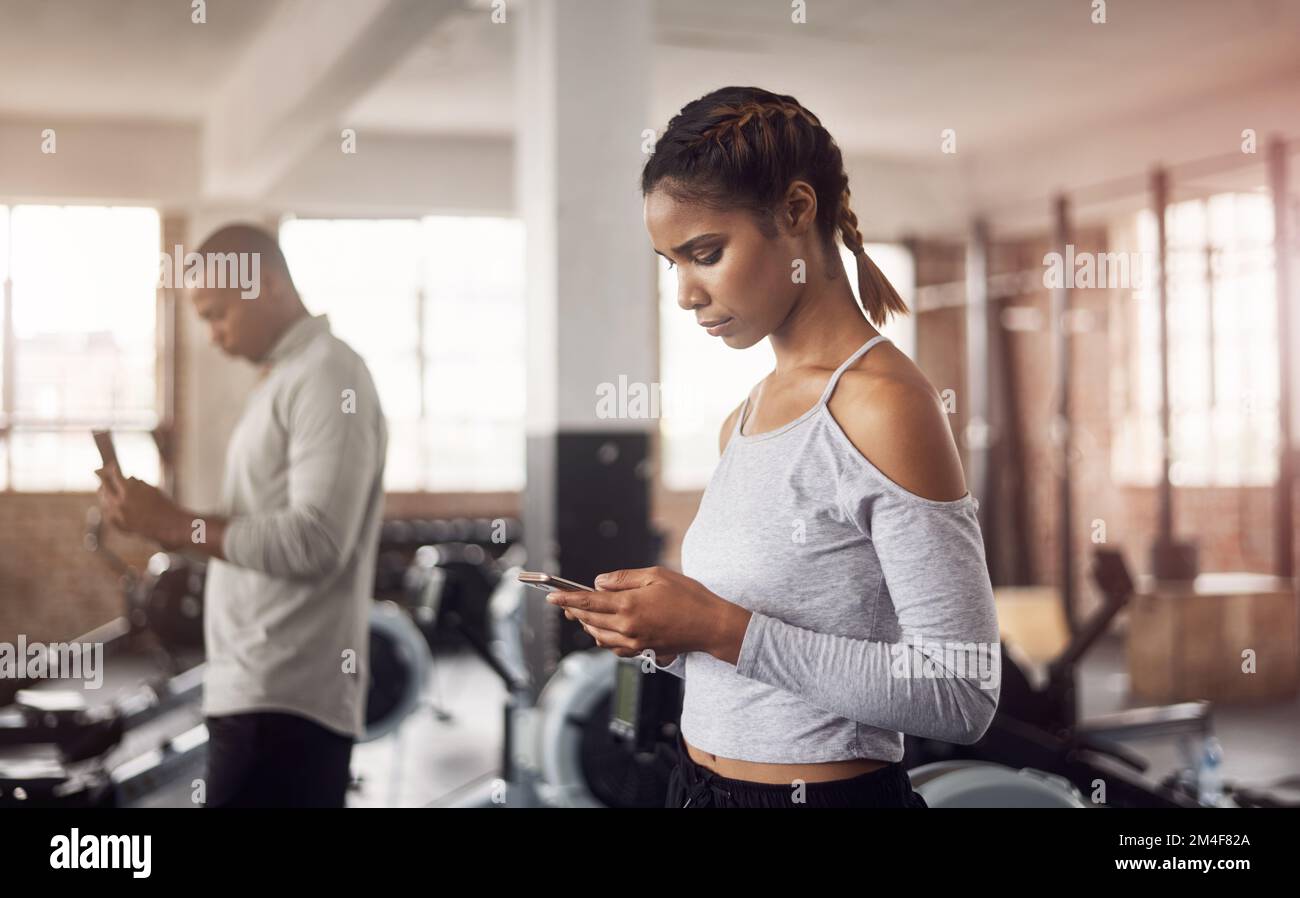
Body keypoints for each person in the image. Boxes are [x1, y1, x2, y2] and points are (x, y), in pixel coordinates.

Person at [546, 87, 1001, 808]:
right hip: (696, 788)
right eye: (672, 263)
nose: (686, 295)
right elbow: (762, 674)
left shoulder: (886, 404)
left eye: (706, 253)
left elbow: (961, 693)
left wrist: (718, 627)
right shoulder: (746, 415)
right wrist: (666, 636)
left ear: (795, 210)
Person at [97, 223, 387, 807]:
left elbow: (316, 541)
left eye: (218, 313)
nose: (213, 336)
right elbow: (253, 529)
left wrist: (172, 523)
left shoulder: (329, 374)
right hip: (255, 692)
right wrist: (158, 519)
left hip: (286, 701)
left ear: (269, 285)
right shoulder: (284, 378)